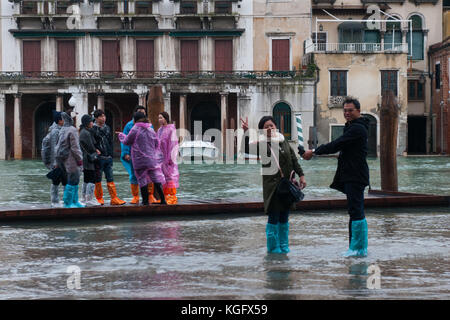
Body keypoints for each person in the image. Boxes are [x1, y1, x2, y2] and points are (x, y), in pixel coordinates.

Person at [302, 97, 369, 257]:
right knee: (355, 211)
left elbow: (337, 144)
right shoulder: (353, 127)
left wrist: (314, 151)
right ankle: (356, 247)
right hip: (353, 174)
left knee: (356, 211)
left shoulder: (357, 129)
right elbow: (344, 148)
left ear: (358, 111)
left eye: (350, 110)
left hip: (355, 175)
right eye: (345, 110)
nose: (346, 113)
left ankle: (358, 249)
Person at [241, 116, 306, 254]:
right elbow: (246, 149)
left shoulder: (284, 142)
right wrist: (246, 133)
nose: (270, 128)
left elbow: (294, 160)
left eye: (271, 125)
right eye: (266, 127)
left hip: (287, 186)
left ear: (276, 127)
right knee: (274, 217)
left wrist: (301, 175)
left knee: (284, 217)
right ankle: (273, 248)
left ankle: (284, 245)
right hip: (273, 187)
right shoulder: (263, 144)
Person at [117, 112, 167, 205]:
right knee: (156, 178)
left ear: (135, 120)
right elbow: (157, 143)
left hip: (139, 159)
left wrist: (121, 136)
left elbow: (127, 141)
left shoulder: (135, 129)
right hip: (151, 159)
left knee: (141, 179)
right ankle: (163, 200)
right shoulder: (150, 129)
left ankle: (145, 201)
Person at [120, 105, 155, 204]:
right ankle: (135, 196)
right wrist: (126, 153)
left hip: (147, 154)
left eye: (143, 112)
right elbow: (125, 140)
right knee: (134, 175)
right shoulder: (129, 125)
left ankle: (150, 195)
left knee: (149, 175)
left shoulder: (149, 125)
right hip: (134, 154)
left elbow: (153, 139)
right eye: (140, 111)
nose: (142, 114)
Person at [92, 109, 126, 206]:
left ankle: (114, 198)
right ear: (96, 118)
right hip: (99, 157)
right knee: (97, 179)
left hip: (108, 157)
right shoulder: (93, 129)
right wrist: (96, 152)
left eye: (104, 116)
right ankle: (99, 198)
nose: (104, 118)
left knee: (110, 177)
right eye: (101, 116)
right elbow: (91, 143)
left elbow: (110, 141)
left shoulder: (107, 127)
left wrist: (111, 154)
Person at [55, 106, 84, 208]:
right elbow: (75, 147)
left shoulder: (63, 129)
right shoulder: (72, 130)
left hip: (62, 159)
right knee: (74, 180)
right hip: (71, 159)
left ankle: (73, 201)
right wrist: (80, 159)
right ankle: (69, 203)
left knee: (70, 180)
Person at [42, 110, 67, 207]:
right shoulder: (56, 132)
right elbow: (54, 148)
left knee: (65, 181)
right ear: (60, 120)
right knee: (56, 181)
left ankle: (64, 200)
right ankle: (55, 201)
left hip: (62, 161)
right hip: (57, 162)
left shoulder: (60, 129)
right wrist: (55, 163)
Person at [157, 112, 179, 205]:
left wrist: (171, 157)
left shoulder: (171, 129)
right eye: (159, 118)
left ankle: (172, 196)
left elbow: (173, 144)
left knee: (170, 176)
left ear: (166, 118)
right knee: (163, 177)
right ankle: (165, 196)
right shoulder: (159, 130)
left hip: (169, 157)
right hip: (161, 158)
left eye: (161, 118)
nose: (159, 120)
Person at [79, 114, 101, 206]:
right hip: (88, 159)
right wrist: (96, 150)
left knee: (86, 179)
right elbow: (91, 146)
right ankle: (89, 199)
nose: (92, 123)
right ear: (87, 123)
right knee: (91, 178)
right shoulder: (86, 133)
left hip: (85, 158)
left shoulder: (84, 131)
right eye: (91, 121)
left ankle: (84, 198)